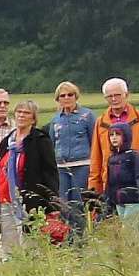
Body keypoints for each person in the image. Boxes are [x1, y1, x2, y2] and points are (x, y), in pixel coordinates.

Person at [0, 102, 56, 251]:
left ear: (33, 119)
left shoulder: (40, 141)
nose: (21, 115)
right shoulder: (7, 141)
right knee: (8, 244)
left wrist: (50, 202)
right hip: (5, 198)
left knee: (29, 242)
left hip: (28, 201)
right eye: (19, 112)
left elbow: (50, 172)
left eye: (26, 113)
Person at [85, 78, 139, 202]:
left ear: (126, 95)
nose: (114, 99)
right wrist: (94, 188)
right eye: (109, 96)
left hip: (136, 183)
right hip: (110, 184)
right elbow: (96, 158)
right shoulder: (100, 122)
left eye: (117, 95)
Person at [48, 82, 96, 234]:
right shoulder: (56, 120)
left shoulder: (86, 116)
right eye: (63, 95)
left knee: (78, 203)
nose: (67, 98)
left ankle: (80, 237)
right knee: (63, 204)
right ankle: (65, 236)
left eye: (70, 95)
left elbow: (94, 140)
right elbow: (52, 143)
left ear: (76, 96)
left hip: (82, 164)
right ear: (58, 99)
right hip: (61, 166)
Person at [101, 124, 139, 222]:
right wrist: (107, 198)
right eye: (111, 135)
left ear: (125, 136)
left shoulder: (133, 156)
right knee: (126, 226)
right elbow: (110, 182)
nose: (114, 137)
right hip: (118, 200)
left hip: (133, 198)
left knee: (129, 227)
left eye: (118, 134)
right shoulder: (111, 158)